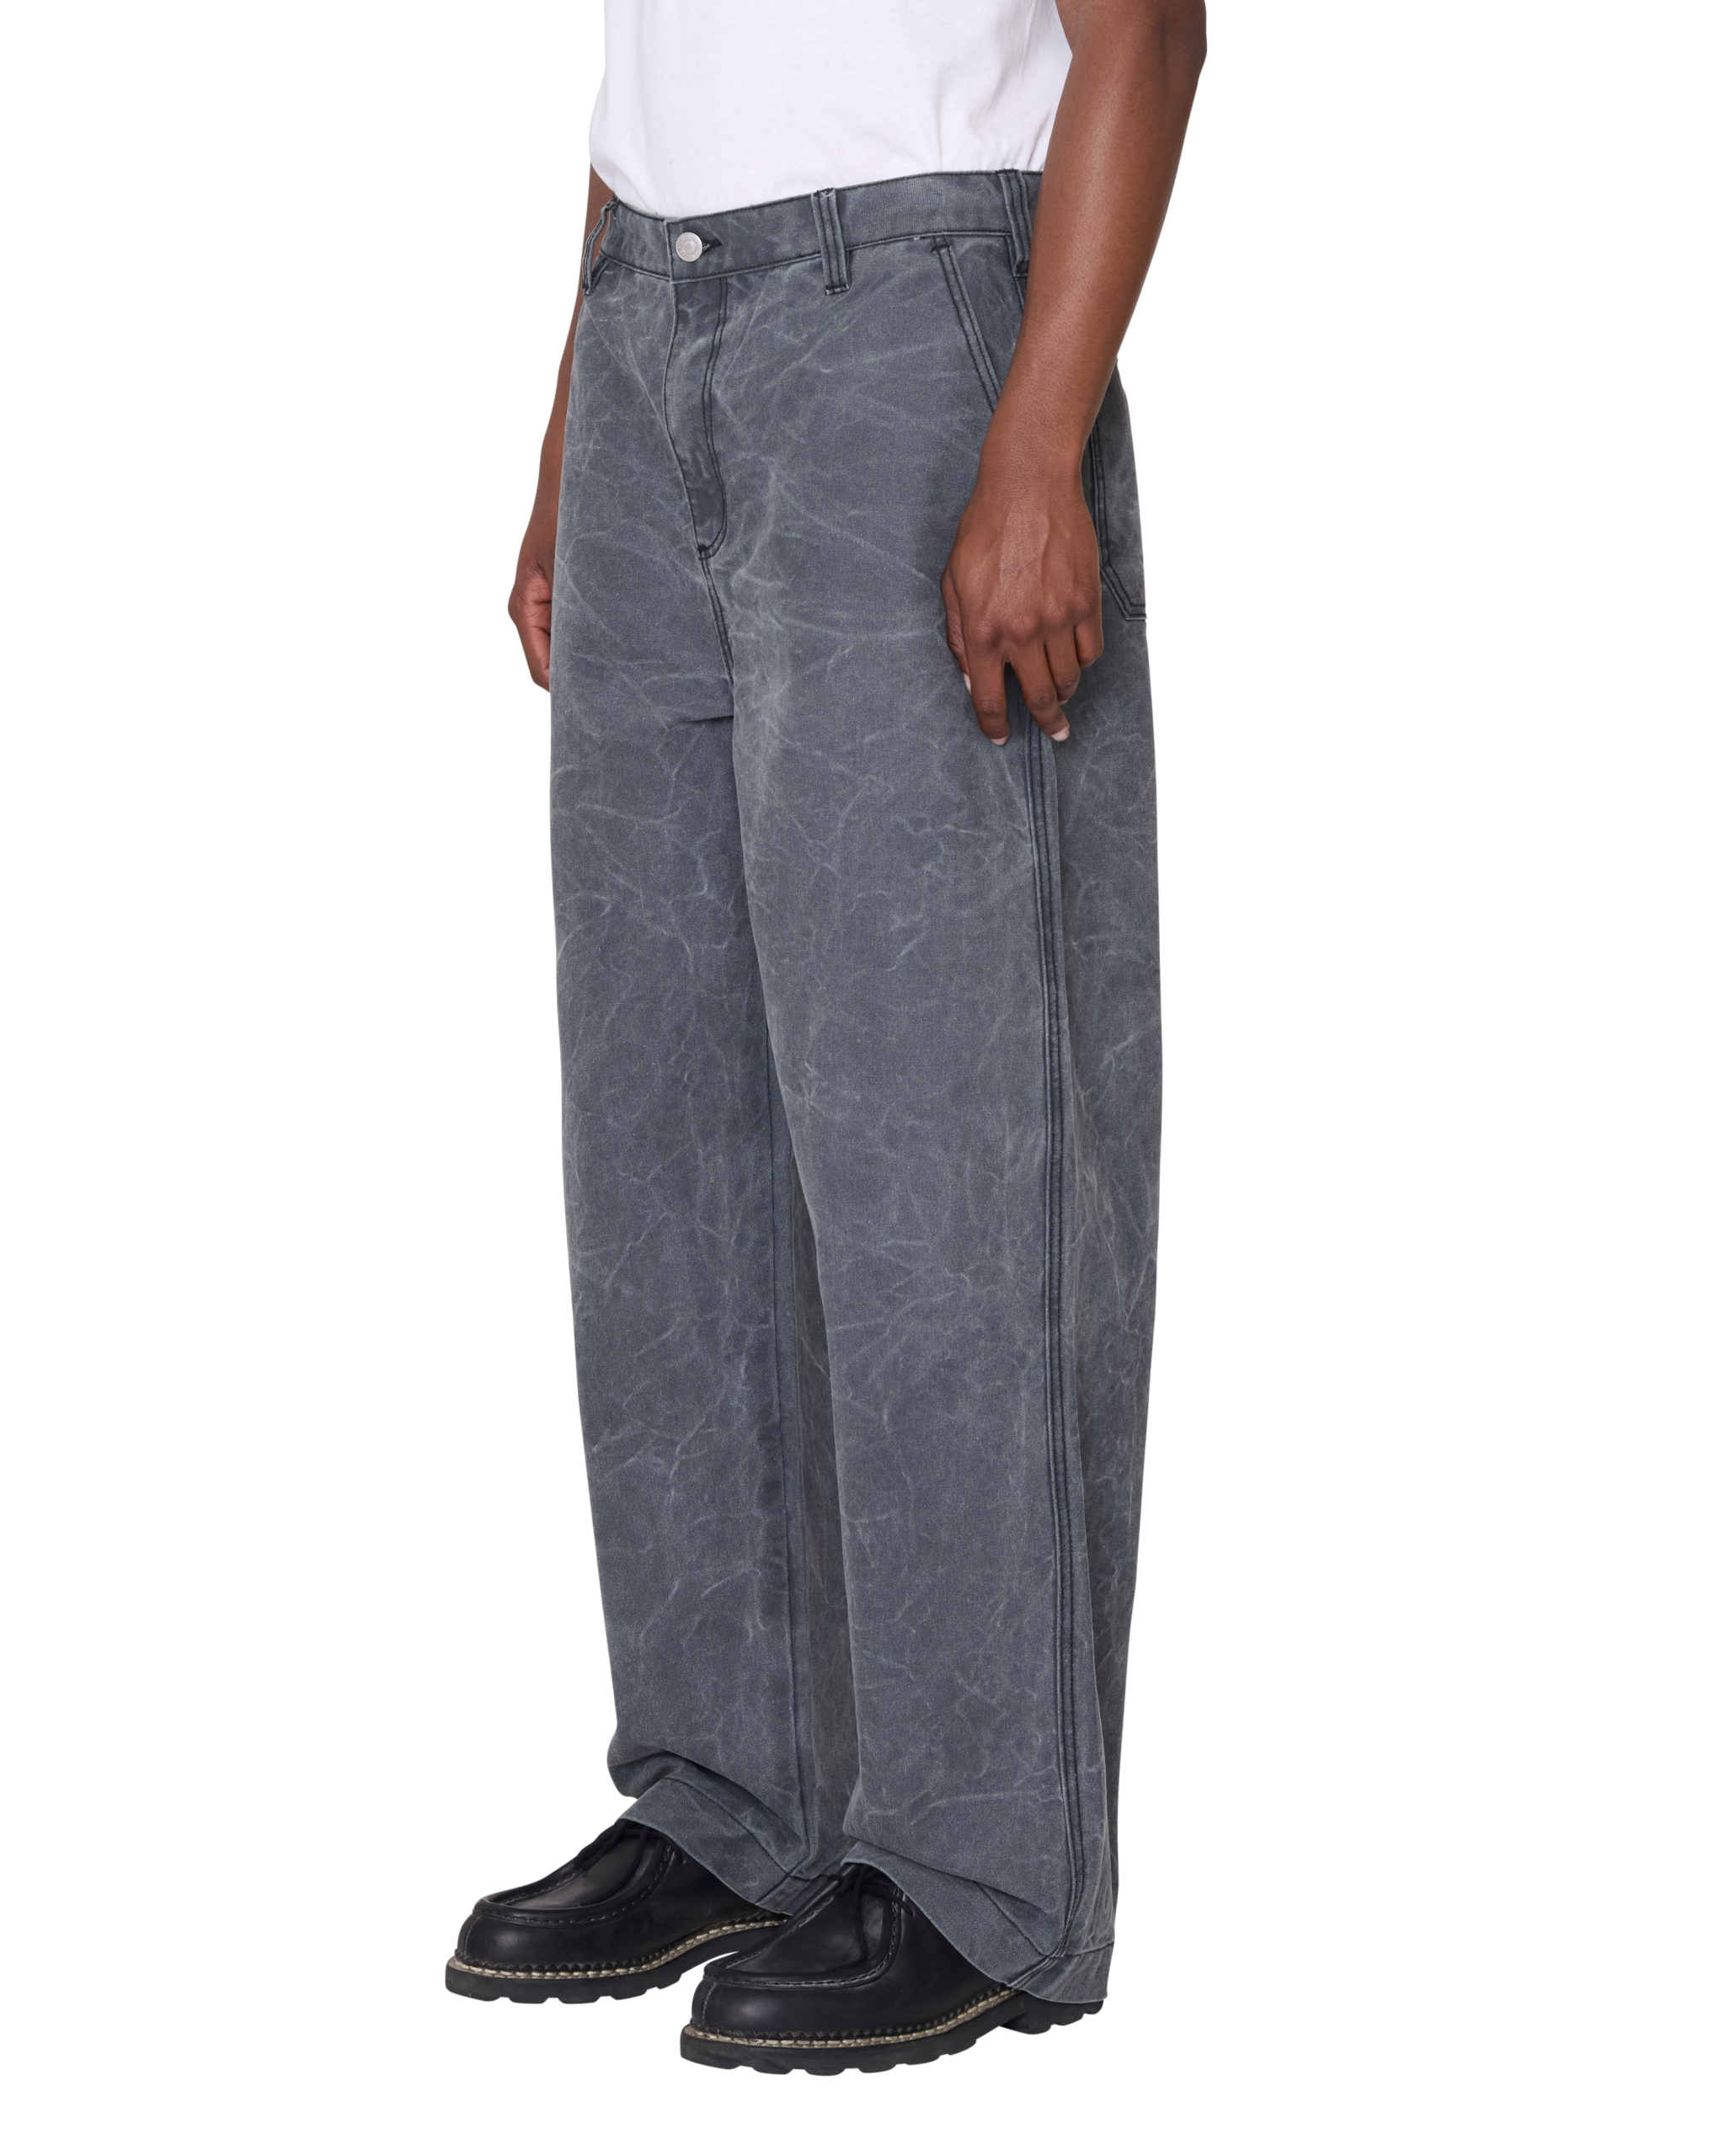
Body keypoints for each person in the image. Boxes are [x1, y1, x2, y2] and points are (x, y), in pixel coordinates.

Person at [445, 0, 1206, 2077]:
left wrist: (1039, 441)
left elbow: (1144, 26)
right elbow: (656, 70)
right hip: (648, 317)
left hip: (917, 325)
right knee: (666, 1134)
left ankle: (983, 1867)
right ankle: (728, 1793)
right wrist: (572, 434)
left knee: (941, 1140)